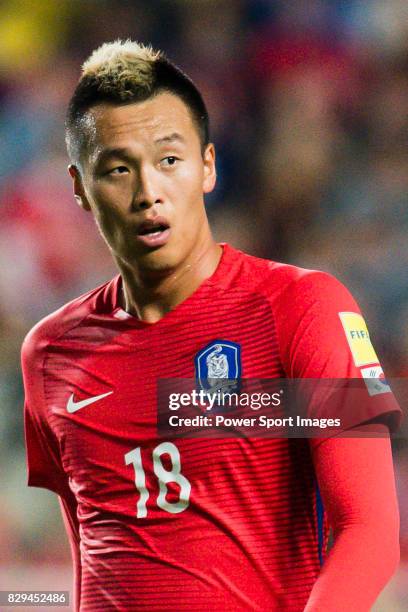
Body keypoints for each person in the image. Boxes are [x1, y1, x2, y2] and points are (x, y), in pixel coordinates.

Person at [22, 40, 402, 611]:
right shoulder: (49, 353)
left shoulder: (302, 307)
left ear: (207, 166)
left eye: (169, 160)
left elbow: (369, 531)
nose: (148, 192)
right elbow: (90, 552)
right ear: (79, 187)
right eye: (119, 168)